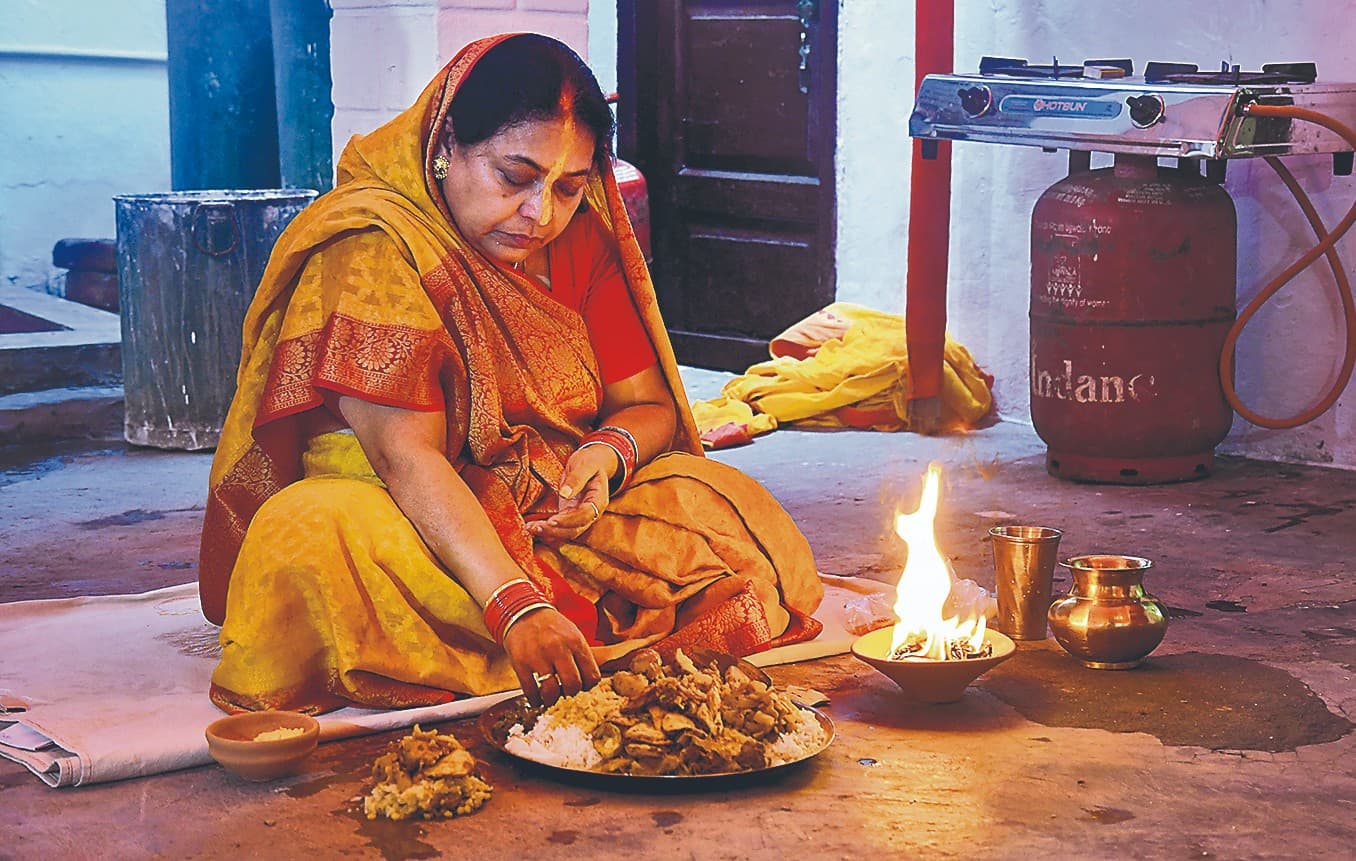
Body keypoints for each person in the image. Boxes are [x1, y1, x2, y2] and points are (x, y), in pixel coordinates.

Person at [198, 33, 823, 715]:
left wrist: (601, 457)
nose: (540, 214)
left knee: (727, 504)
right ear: (444, 146)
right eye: (515, 178)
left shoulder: (579, 239)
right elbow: (407, 461)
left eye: (568, 187)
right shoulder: (374, 246)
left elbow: (647, 405)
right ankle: (534, 630)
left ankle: (548, 630)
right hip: (415, 523)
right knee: (311, 529)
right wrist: (514, 605)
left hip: (557, 511)